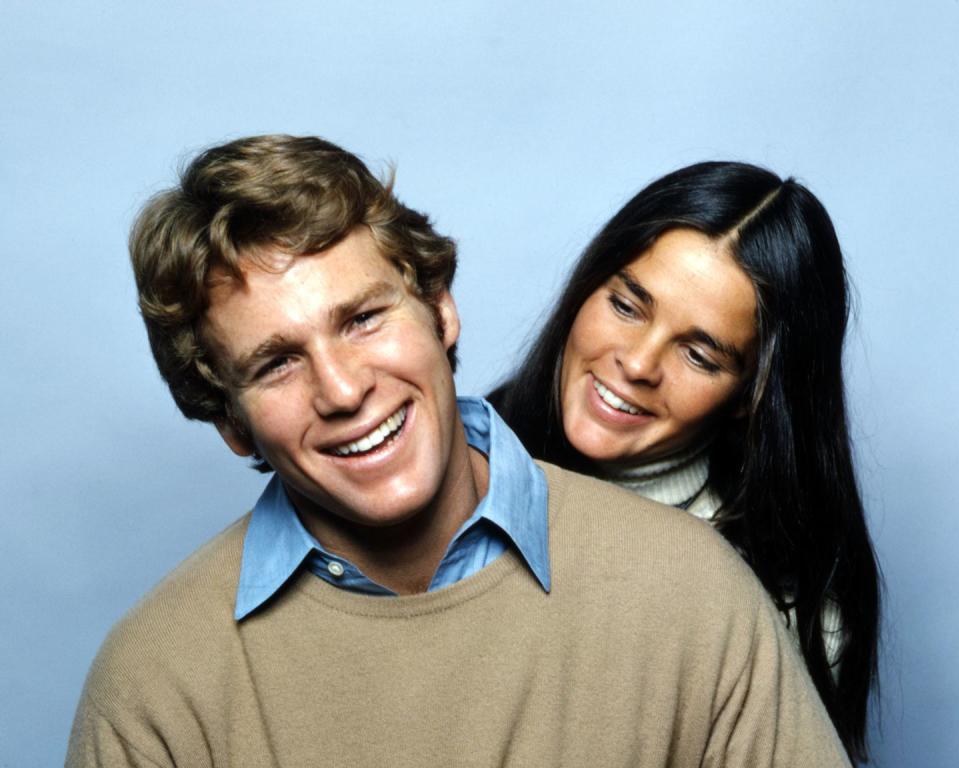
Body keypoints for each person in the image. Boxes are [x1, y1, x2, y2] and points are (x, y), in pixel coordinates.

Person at [67, 138, 851, 767]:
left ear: (442, 312)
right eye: (276, 362)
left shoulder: (704, 591)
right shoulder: (153, 685)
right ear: (232, 423)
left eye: (363, 318)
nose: (341, 390)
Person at [489, 161, 881, 763]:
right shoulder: (446, 466)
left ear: (752, 397)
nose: (639, 363)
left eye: (699, 355)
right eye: (626, 306)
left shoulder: (782, 602)